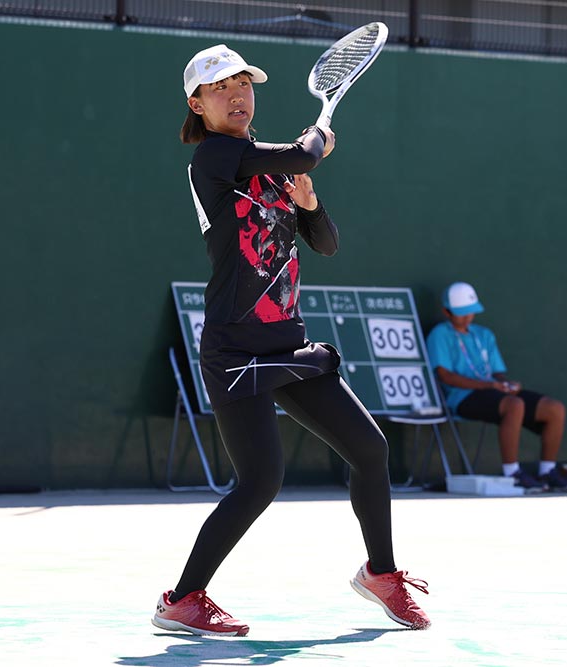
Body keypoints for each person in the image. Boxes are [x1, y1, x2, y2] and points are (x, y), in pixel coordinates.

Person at [152, 44, 431, 637]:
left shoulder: (271, 167)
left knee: (370, 449)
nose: (237, 95)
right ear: (197, 105)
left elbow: (325, 243)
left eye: (244, 85)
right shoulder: (215, 156)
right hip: (235, 350)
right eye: (220, 88)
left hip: (287, 345)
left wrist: (310, 203)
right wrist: (317, 141)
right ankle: (182, 598)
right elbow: (305, 151)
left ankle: (381, 575)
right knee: (260, 482)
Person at [426, 282, 567, 493]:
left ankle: (547, 471)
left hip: (494, 391)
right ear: (446, 312)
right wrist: (489, 385)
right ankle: (512, 473)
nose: (467, 317)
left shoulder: (484, 334)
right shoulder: (439, 335)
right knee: (514, 405)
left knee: (554, 408)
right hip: (461, 398)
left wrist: (505, 384)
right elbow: (445, 376)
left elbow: (496, 372)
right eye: (461, 313)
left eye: (471, 312)